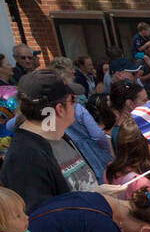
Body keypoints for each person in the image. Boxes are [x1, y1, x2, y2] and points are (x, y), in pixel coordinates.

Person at [1, 71, 98, 209]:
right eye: (73, 100)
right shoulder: (24, 158)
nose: (75, 106)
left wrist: (98, 194)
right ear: (59, 109)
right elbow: (44, 219)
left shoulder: (58, 135)